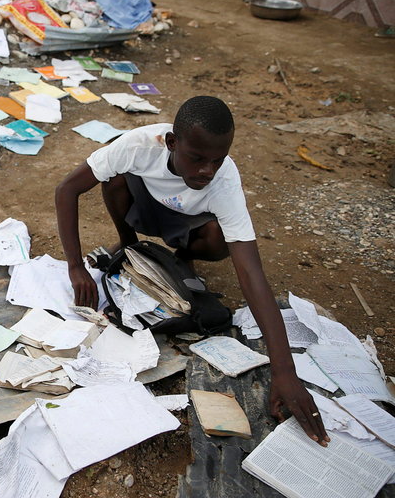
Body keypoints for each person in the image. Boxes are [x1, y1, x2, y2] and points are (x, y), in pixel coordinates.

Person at [54, 95, 328, 446]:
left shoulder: (223, 182)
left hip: (185, 220)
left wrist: (285, 372)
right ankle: (129, 243)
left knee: (220, 240)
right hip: (145, 205)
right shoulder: (139, 145)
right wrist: (75, 267)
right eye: (197, 158)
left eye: (218, 159)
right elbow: (66, 189)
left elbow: (252, 275)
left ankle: (182, 256)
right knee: (115, 179)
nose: (207, 171)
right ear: (171, 143)